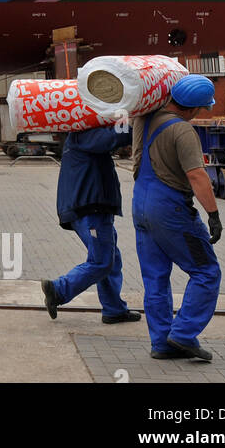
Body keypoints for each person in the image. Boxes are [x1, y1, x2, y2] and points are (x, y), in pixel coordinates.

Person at [131, 74, 223, 361]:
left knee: (155, 278)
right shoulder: (182, 131)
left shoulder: (143, 120)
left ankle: (162, 343)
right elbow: (197, 175)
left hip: (141, 204)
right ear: (193, 107)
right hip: (170, 210)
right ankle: (183, 335)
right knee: (207, 272)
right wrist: (213, 214)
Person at [41, 126, 138, 324]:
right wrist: (134, 124)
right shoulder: (85, 133)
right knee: (101, 261)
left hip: (91, 206)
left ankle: (114, 309)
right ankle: (58, 290)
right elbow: (113, 138)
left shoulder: (81, 132)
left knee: (110, 258)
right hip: (89, 208)